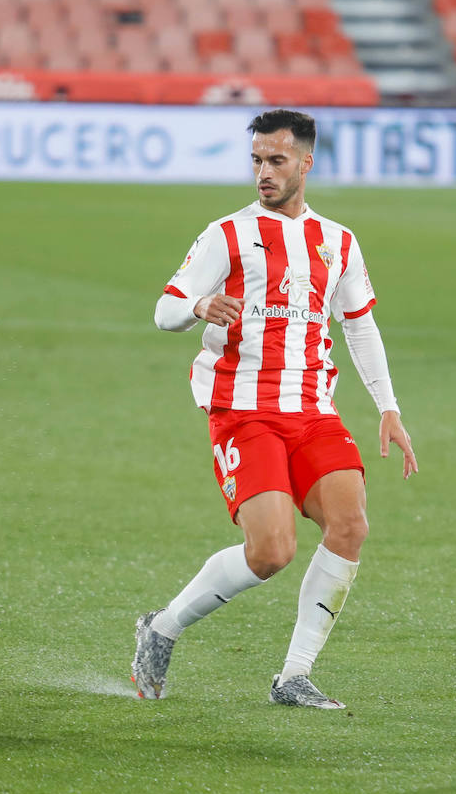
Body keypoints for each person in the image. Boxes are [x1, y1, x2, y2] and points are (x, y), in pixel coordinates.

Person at [131, 109, 418, 709]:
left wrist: (388, 408)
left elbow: (360, 326)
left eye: (276, 161)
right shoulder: (227, 234)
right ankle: (163, 627)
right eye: (257, 160)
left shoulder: (338, 241)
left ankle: (294, 676)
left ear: (306, 163)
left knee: (351, 525)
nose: (263, 172)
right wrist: (201, 305)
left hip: (313, 410)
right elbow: (164, 311)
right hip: (243, 410)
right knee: (272, 552)